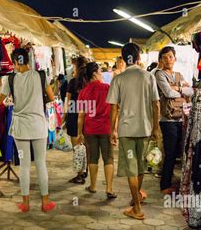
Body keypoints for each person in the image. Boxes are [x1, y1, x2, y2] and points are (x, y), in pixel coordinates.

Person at [0, 48, 56, 213]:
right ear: (27, 61)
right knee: (41, 163)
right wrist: (37, 100)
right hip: (38, 126)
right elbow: (51, 97)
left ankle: (26, 203)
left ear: (15, 62)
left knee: (24, 165)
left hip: (21, 129)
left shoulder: (11, 79)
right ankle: (45, 202)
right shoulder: (41, 76)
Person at [107, 43, 160, 220]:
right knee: (140, 167)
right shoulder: (148, 77)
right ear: (138, 58)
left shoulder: (118, 79)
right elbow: (156, 104)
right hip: (144, 129)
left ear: (124, 58)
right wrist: (155, 127)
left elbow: (114, 108)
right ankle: (135, 198)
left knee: (131, 168)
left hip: (126, 131)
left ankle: (137, 208)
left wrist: (111, 130)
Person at [77, 62, 117, 199]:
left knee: (92, 157)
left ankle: (93, 186)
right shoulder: (107, 88)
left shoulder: (83, 92)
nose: (102, 74)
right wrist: (114, 129)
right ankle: (109, 189)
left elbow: (81, 115)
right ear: (94, 73)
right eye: (100, 71)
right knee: (108, 158)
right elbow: (114, 109)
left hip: (90, 129)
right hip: (106, 128)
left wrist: (78, 133)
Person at [154, 46, 190, 195]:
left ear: (175, 58)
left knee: (177, 152)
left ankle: (173, 181)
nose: (168, 59)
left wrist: (178, 87)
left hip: (180, 117)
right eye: (165, 57)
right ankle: (164, 185)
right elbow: (168, 92)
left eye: (170, 56)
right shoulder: (159, 74)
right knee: (170, 152)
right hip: (167, 119)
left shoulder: (179, 74)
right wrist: (181, 89)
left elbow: (191, 91)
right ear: (161, 60)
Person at [62, 56, 88, 184]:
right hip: (88, 115)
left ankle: (79, 174)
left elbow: (67, 101)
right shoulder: (88, 82)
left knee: (76, 147)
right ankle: (85, 170)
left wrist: (63, 117)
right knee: (85, 145)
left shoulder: (73, 82)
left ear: (76, 67)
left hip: (74, 114)